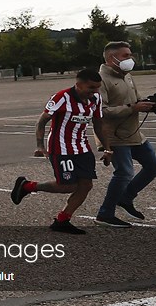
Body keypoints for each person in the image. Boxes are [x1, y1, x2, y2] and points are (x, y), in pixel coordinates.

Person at [11, 69, 113, 235]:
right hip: (61, 148)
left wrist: (108, 148)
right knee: (68, 185)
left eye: (97, 88)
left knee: (86, 185)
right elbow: (41, 121)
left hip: (82, 147)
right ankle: (28, 186)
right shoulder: (61, 97)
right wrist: (39, 145)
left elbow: (99, 124)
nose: (95, 91)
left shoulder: (96, 99)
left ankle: (62, 220)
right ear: (78, 85)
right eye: (91, 87)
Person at [94, 41, 156, 227]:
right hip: (114, 135)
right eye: (126, 55)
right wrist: (133, 107)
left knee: (155, 167)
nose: (130, 58)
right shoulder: (100, 80)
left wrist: (146, 104)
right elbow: (100, 111)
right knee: (124, 172)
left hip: (133, 133)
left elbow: (133, 100)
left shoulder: (127, 76)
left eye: (130, 54)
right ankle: (105, 213)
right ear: (112, 58)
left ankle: (125, 198)